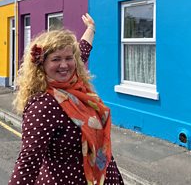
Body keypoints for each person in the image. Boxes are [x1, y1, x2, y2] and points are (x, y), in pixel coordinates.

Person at [9, 13, 124, 185]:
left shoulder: (74, 82)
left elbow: (83, 49)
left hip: (101, 176)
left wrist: (91, 28)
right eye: (56, 59)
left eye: (69, 58)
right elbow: (29, 161)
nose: (64, 65)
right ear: (42, 64)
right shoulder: (43, 106)